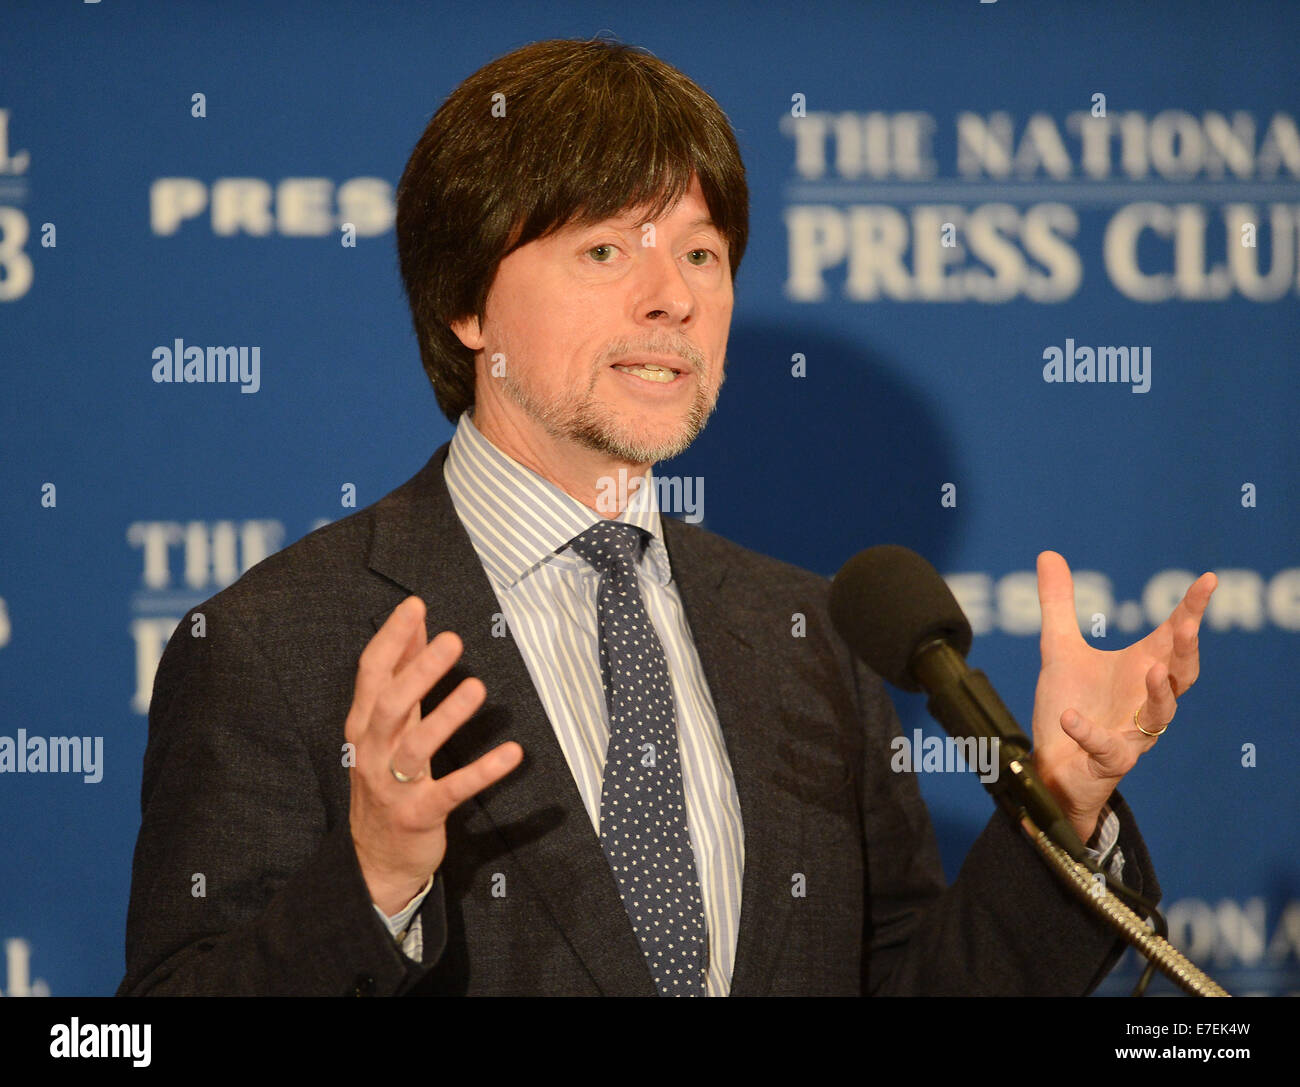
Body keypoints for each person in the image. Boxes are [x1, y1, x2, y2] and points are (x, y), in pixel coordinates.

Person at [118, 37, 1216, 997]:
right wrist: (370, 881)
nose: (674, 296)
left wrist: (1065, 802)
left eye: (699, 252)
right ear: (466, 302)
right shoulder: (274, 646)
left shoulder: (809, 638)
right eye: (605, 250)